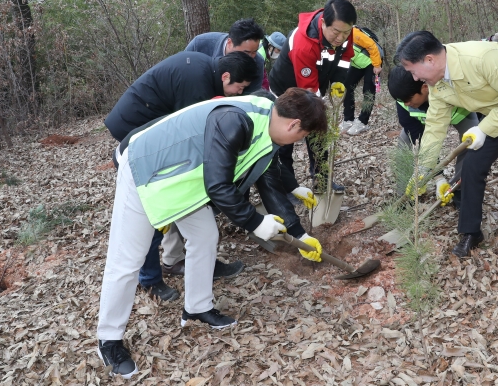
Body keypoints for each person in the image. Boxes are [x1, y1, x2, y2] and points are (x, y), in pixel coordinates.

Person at [97, 89, 328, 379]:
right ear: (294, 124)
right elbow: (219, 186)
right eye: (302, 136)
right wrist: (255, 222)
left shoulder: (270, 121)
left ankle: (196, 308)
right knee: (127, 260)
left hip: (186, 181)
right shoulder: (235, 121)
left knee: (205, 235)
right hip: (146, 169)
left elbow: (267, 175)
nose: (298, 141)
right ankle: (109, 340)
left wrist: (298, 229)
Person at [396, 31, 498, 276]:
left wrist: (483, 129)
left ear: (429, 60)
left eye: (413, 71)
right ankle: (471, 232)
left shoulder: (482, 57)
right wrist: (423, 170)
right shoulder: (437, 83)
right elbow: (434, 127)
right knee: (472, 166)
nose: (415, 78)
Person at [103, 51, 258, 301]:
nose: (239, 93)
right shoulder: (197, 85)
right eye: (239, 88)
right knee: (153, 208)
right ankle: (150, 278)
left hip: (151, 121)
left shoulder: (207, 72)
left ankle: (184, 259)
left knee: (180, 202)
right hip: (135, 126)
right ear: (226, 76)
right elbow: (187, 136)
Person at [269, 0, 357, 193]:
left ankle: (321, 180)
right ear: (323, 23)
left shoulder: (344, 30)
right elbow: (308, 91)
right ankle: (286, 187)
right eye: (336, 32)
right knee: (284, 140)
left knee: (318, 135)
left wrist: (338, 82)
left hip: (315, 84)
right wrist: (320, 112)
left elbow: (345, 58)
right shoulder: (303, 43)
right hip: (285, 90)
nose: (341, 38)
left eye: (346, 33)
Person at [388, 65, 478, 205]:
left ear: (424, 88)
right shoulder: (404, 98)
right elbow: (419, 138)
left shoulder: (448, 86)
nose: (406, 103)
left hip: (460, 114)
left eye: (408, 99)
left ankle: (459, 190)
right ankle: (404, 196)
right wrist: (437, 177)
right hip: (423, 123)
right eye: (401, 100)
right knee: (404, 142)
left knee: (472, 142)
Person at [185, 18, 266, 93]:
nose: (251, 58)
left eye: (254, 52)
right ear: (230, 43)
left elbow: (250, 96)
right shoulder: (199, 45)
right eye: (246, 52)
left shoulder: (258, 62)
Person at [341, 26, 383, 135]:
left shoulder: (354, 33)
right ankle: (348, 119)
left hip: (372, 62)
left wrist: (377, 65)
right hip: (358, 63)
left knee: (368, 91)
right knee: (346, 86)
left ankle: (363, 122)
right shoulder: (333, 37)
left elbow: (372, 46)